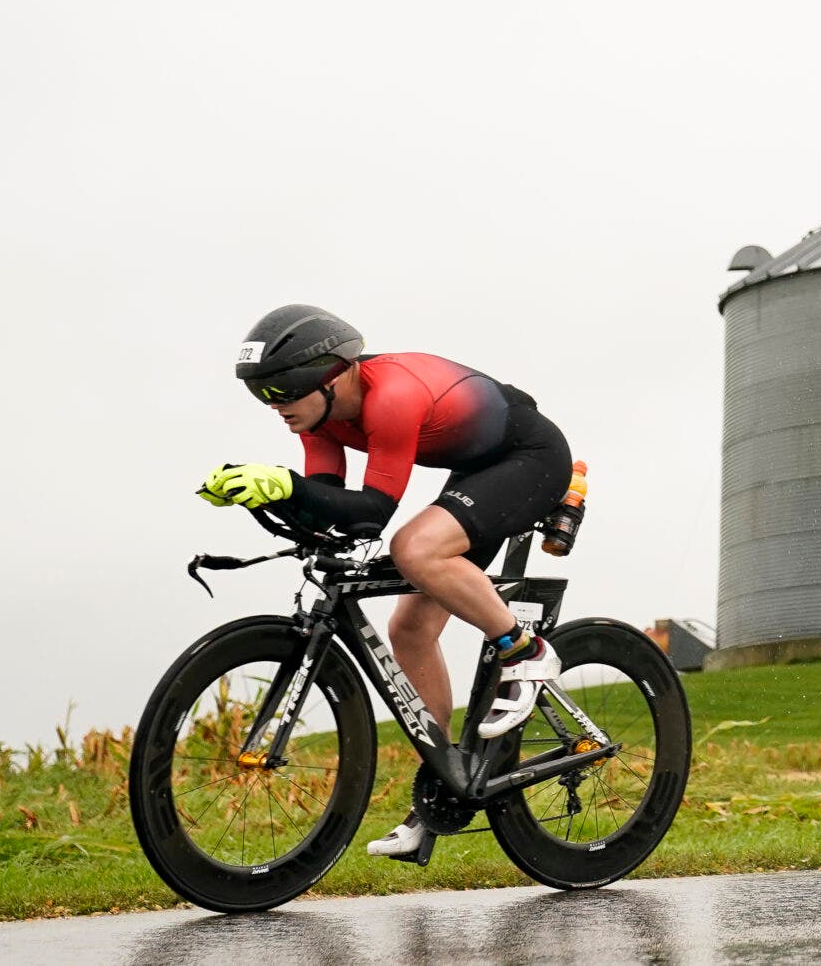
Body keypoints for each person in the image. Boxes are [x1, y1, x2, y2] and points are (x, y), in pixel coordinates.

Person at [198, 304, 573, 864]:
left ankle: (526, 650)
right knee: (412, 627)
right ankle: (444, 786)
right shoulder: (319, 419)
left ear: (329, 374)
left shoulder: (390, 395)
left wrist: (286, 486)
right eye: (261, 395)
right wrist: (272, 493)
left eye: (281, 390)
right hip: (480, 469)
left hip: (532, 458)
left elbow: (371, 512)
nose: (274, 407)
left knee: (414, 547)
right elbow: (331, 509)